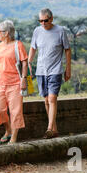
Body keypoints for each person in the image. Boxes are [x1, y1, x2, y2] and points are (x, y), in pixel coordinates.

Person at [28, 8, 71, 139]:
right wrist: (29, 62)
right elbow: (33, 48)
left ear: (51, 19)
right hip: (41, 70)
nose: (43, 23)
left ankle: (48, 128)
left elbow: (67, 50)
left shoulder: (60, 31)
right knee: (46, 100)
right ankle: (54, 129)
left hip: (55, 70)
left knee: (52, 98)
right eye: (40, 21)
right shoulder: (37, 31)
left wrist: (68, 68)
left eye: (45, 20)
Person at [0, 20, 28, 144]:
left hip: (15, 83)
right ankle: (8, 129)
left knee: (15, 111)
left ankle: (13, 138)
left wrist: (23, 79)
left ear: (6, 33)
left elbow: (24, 62)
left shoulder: (18, 45)